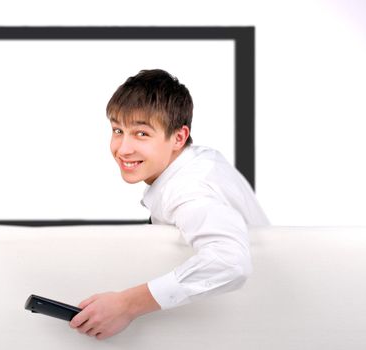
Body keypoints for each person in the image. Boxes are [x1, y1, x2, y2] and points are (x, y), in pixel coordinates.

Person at [69, 69, 270, 340]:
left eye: (141, 133)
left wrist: (126, 305)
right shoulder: (196, 161)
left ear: (178, 137)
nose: (123, 148)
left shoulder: (188, 188)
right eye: (118, 130)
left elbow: (229, 262)